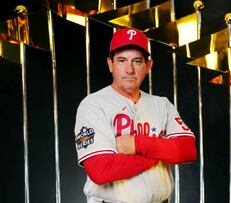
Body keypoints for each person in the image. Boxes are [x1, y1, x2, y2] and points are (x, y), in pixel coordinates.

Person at [74, 27, 197, 203]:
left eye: (137, 61)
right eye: (122, 60)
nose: (129, 69)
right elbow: (101, 170)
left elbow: (186, 150)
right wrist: (158, 153)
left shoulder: (162, 104)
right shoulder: (93, 105)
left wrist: (137, 143)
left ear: (148, 66)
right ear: (110, 64)